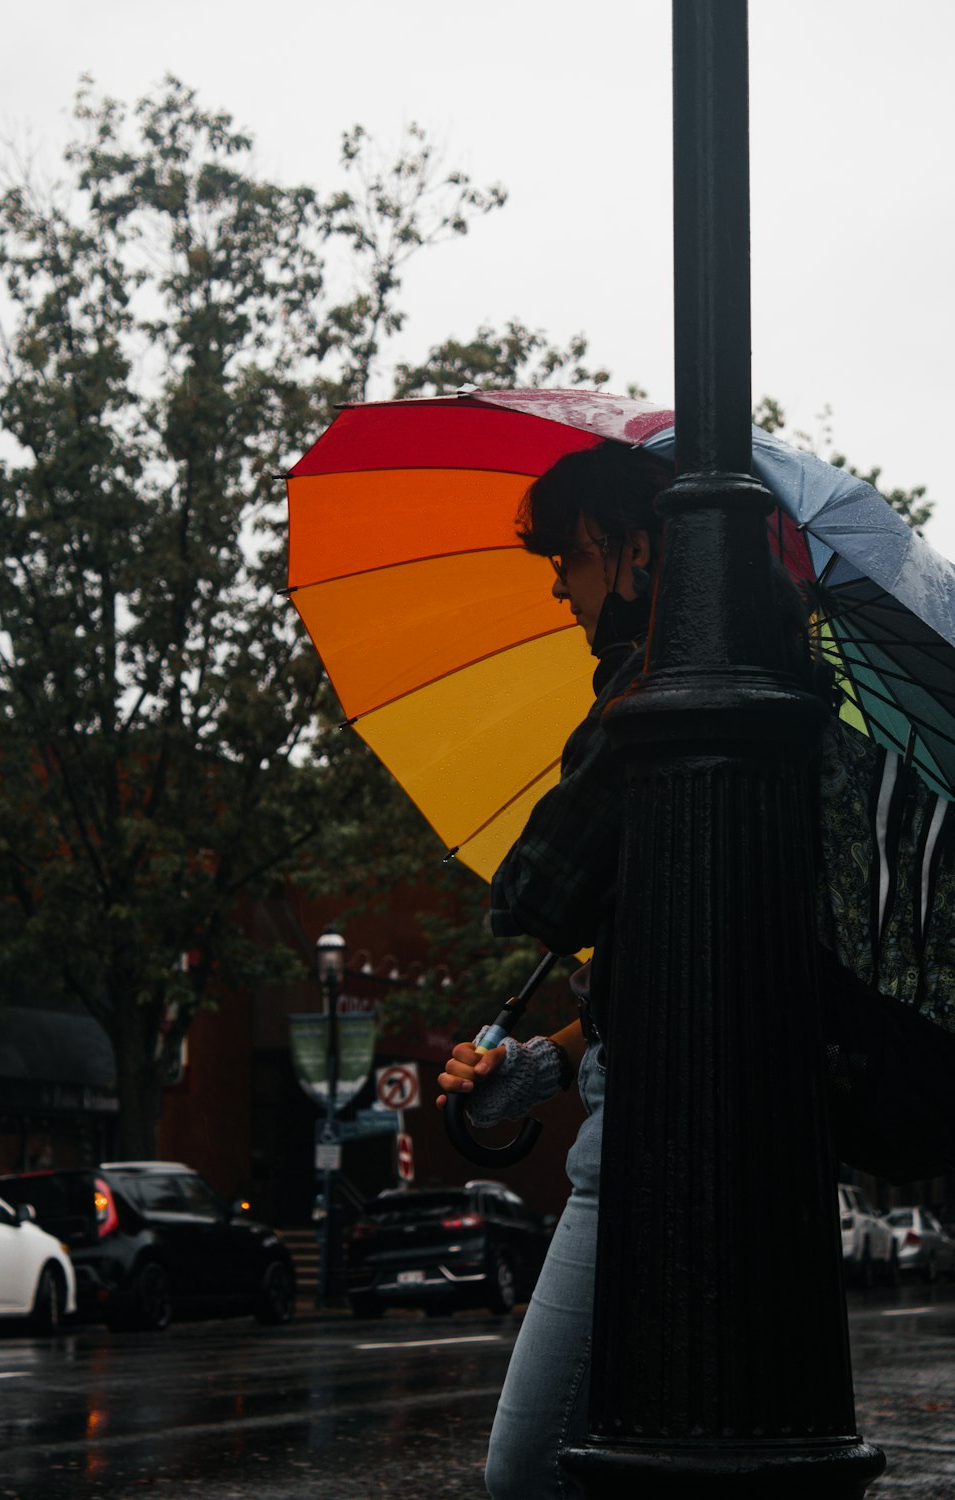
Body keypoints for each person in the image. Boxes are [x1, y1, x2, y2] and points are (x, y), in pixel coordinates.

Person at [435, 439, 955, 1500]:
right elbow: (706, 962)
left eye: (566, 566)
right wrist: (543, 1061)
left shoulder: (657, 702)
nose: (560, 593)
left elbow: (532, 893)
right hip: (769, 1151)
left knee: (529, 1468)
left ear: (628, 552)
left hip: (651, 1149)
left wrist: (618, 725)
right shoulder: (798, 702)